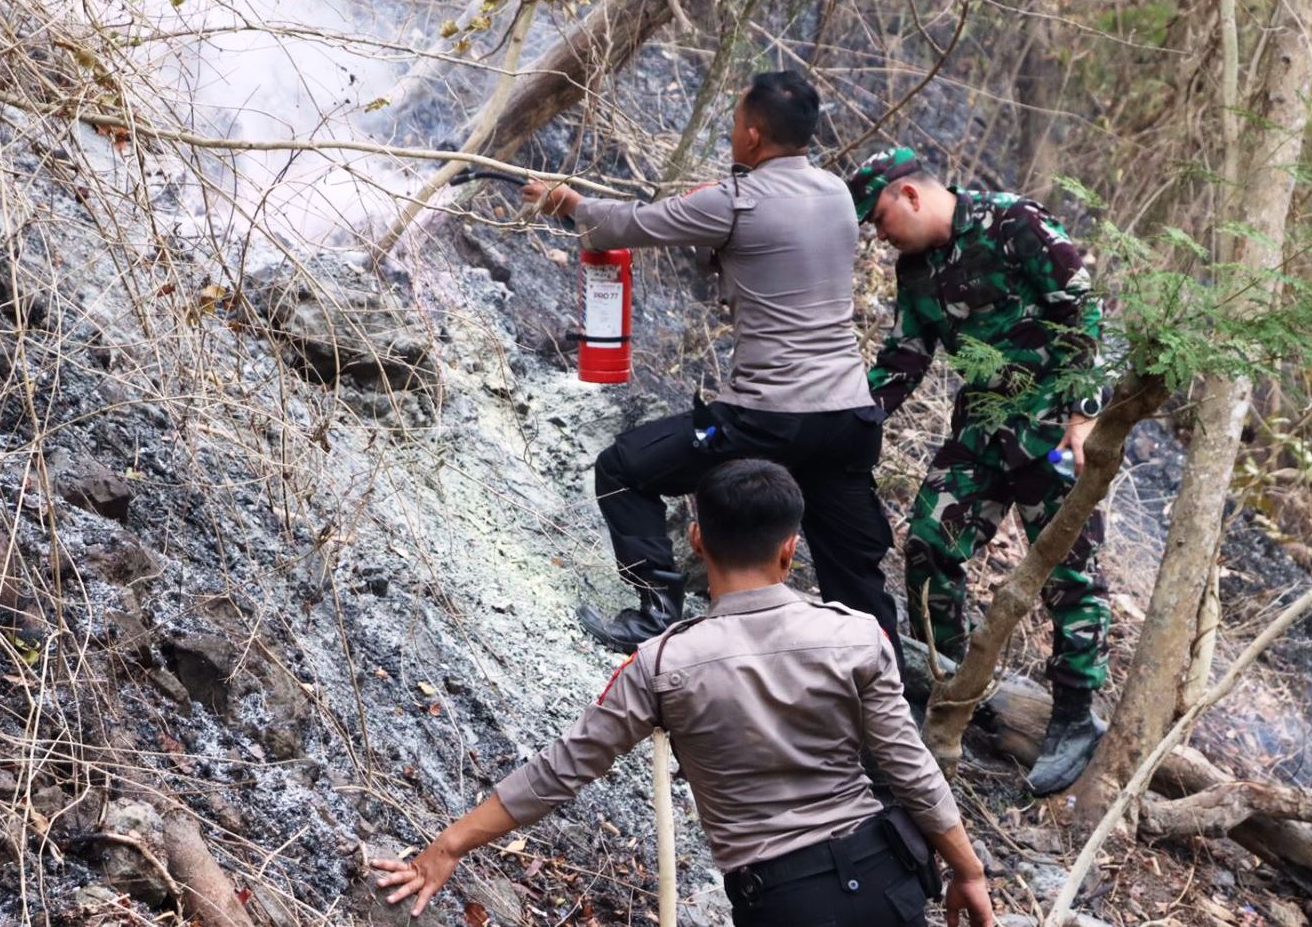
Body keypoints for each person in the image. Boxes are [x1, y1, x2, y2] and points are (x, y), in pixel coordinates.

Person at [372, 460, 994, 926]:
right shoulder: (856, 637)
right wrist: (968, 871)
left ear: (695, 540)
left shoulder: (663, 663)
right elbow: (911, 772)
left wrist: (444, 849)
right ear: (790, 548)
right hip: (886, 881)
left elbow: (560, 771)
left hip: (781, 900)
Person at [521, 70, 900, 661]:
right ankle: (886, 702)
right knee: (855, 574)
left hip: (765, 418)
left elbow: (632, 225)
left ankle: (657, 610)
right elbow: (760, 255)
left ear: (751, 135)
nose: (731, 136)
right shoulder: (835, 197)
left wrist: (571, 204)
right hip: (848, 419)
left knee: (624, 469)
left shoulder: (737, 200)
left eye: (733, 126)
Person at [845, 147, 1113, 795]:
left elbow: (1084, 306)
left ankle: (1075, 715)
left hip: (1051, 428)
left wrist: (1084, 413)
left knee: (1068, 569)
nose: (879, 237)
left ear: (910, 195)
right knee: (931, 544)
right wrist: (847, 418)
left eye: (880, 219)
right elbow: (904, 357)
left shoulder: (1013, 223)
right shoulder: (916, 270)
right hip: (983, 428)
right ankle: (949, 686)